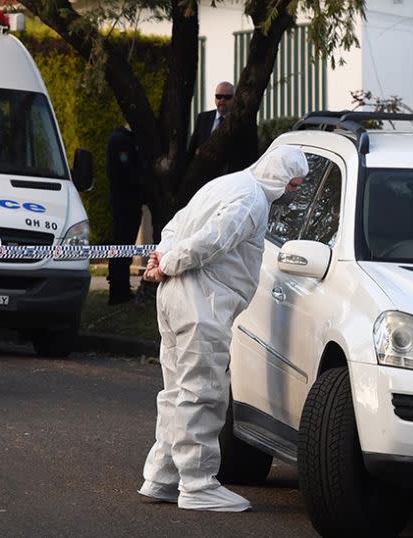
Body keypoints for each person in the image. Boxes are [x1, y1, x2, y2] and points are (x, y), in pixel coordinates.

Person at [138, 145, 308, 512]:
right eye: (293, 184)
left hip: (175, 297)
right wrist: (168, 261)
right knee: (203, 392)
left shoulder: (225, 184)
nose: (292, 192)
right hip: (202, 300)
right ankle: (198, 485)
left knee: (177, 392)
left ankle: (163, 477)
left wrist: (162, 258)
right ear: (280, 177)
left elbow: (174, 227)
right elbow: (212, 240)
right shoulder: (252, 201)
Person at [106, 124, 144, 305]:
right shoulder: (121, 140)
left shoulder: (125, 139)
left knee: (123, 247)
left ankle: (120, 288)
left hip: (126, 202)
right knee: (122, 245)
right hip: (125, 202)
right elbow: (125, 172)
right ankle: (118, 291)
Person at [187, 82, 235, 161]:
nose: (222, 100)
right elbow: (192, 150)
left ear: (234, 99)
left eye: (227, 97)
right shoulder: (203, 118)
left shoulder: (239, 121)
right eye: (219, 96)